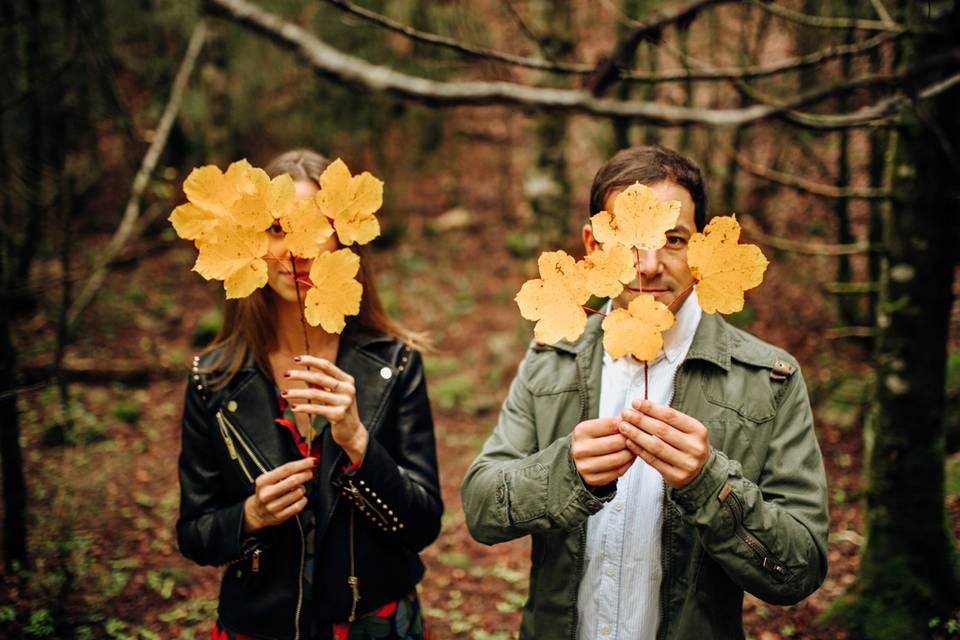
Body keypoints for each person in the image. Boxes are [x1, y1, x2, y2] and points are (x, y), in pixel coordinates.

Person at [461, 145, 828, 639]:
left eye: (673, 239)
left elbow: (800, 569)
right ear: (592, 246)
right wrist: (565, 474)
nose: (650, 265)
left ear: (702, 247)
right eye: (629, 241)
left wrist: (709, 484)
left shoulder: (769, 379)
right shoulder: (552, 358)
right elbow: (481, 508)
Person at [176, 149, 442, 640]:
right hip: (261, 625)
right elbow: (194, 532)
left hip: (373, 626)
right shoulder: (211, 378)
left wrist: (359, 442)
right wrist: (251, 515)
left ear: (343, 237)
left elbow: (423, 525)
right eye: (278, 228)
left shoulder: (395, 362)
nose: (295, 247)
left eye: (313, 226)